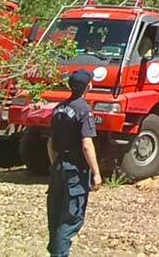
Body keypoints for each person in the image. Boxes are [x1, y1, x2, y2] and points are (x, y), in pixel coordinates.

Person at [46, 69, 102, 257]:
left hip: (59, 166)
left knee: (55, 214)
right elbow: (87, 145)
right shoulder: (84, 109)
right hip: (75, 170)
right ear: (88, 86)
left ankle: (56, 251)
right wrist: (96, 173)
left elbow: (50, 143)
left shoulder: (58, 108)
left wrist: (55, 163)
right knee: (71, 218)